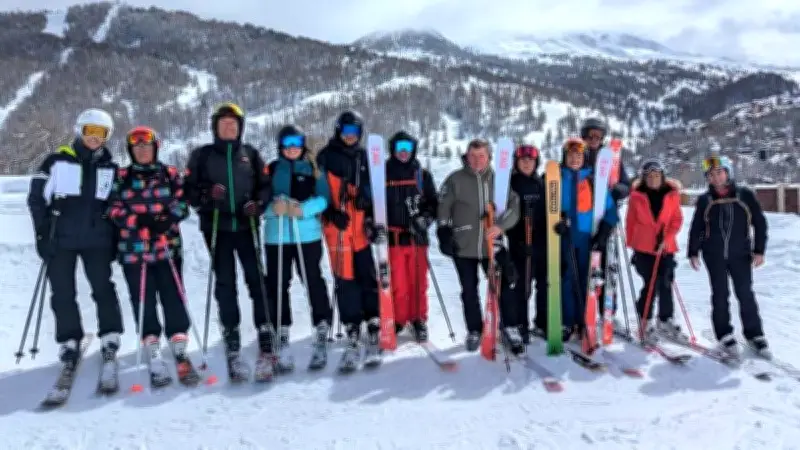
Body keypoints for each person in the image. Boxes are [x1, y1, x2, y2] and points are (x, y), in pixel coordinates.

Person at [27, 108, 124, 393]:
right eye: (89, 131)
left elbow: (115, 206)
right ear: (80, 130)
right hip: (62, 239)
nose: (94, 138)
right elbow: (36, 199)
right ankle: (69, 341)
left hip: (97, 240)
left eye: (100, 133)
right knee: (62, 291)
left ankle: (110, 336)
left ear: (107, 137)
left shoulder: (110, 168)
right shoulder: (57, 161)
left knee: (103, 287)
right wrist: (43, 235)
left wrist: (116, 237)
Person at [184, 102, 272, 381]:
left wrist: (257, 204)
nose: (229, 128)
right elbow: (189, 193)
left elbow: (265, 187)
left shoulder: (250, 154)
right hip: (217, 228)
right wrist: (208, 195)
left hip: (247, 226)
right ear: (215, 127)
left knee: (257, 279)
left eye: (233, 124)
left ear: (240, 128)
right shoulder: (202, 156)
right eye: (224, 124)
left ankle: (265, 328)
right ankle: (230, 331)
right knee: (225, 282)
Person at [107, 126, 199, 387]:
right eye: (137, 147)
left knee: (173, 294)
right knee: (143, 297)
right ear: (131, 151)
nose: (142, 150)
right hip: (135, 251)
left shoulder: (170, 174)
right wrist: (137, 220)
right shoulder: (121, 176)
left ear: (155, 148)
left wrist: (168, 218)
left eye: (146, 146)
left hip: (167, 246)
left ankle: (179, 341)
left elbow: (183, 203)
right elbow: (112, 209)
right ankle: (151, 343)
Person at [436, 138, 523, 355]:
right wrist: (444, 231)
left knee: (502, 286)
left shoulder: (499, 179)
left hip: (491, 245)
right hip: (463, 244)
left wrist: (501, 226)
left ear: (489, 157)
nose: (476, 161)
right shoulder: (455, 179)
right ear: (467, 157)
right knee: (469, 289)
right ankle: (474, 329)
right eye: (472, 156)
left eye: (481, 156)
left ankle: (509, 326)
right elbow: (443, 208)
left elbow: (514, 206)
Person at [263, 124, 333, 373]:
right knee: (278, 283)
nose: (292, 148)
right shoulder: (271, 169)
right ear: (280, 146)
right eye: (287, 143)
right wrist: (274, 208)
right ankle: (281, 329)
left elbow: (324, 199)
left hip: (307, 235)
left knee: (312, 279)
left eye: (296, 143)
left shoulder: (313, 169)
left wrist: (302, 210)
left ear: (303, 145)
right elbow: (261, 201)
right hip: (277, 236)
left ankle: (322, 323)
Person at [687, 155, 769, 358]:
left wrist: (759, 250)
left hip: (740, 254)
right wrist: (693, 251)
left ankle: (754, 334)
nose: (715, 178)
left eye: (719, 173)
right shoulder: (706, 199)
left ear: (728, 173)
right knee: (720, 294)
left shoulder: (744, 195)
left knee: (745, 294)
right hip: (713, 255)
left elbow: (759, 223)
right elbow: (697, 226)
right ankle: (724, 334)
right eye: (711, 175)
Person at [316, 110, 381, 370]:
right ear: (338, 131)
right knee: (345, 278)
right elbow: (318, 189)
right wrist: (330, 213)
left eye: (354, 133)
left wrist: (369, 206)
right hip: (338, 228)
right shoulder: (326, 156)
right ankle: (352, 323)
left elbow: (372, 187)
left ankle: (373, 319)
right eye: (346, 132)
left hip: (360, 228)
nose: (350, 137)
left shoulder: (365, 156)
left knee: (368, 274)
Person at [551, 138, 618, 343]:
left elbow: (611, 210)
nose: (574, 159)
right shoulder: (555, 178)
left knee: (586, 280)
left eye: (578, 156)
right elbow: (547, 207)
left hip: (586, 238)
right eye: (570, 155)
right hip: (563, 238)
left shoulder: (593, 180)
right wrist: (557, 221)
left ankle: (585, 321)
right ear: (565, 157)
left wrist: (603, 233)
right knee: (566, 280)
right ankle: (568, 321)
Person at [384, 131, 438, 342]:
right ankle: (398, 318)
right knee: (397, 282)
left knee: (418, 281)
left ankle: (418, 318)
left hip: (417, 238)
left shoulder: (422, 175)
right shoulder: (383, 173)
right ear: (393, 149)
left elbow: (433, 204)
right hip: (394, 238)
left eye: (407, 147)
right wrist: (372, 223)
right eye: (399, 147)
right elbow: (373, 204)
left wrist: (425, 220)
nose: (404, 152)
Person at [624, 159, 684, 342]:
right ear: (644, 178)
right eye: (649, 176)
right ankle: (645, 320)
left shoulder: (671, 194)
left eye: (656, 176)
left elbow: (677, 219)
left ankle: (665, 319)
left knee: (666, 281)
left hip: (665, 247)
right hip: (644, 248)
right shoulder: (637, 196)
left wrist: (667, 239)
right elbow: (630, 221)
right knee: (652, 282)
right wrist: (634, 243)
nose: (653, 179)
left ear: (662, 177)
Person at [507, 144, 546, 344]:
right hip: (519, 243)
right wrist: (517, 240)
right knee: (521, 286)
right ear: (516, 162)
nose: (527, 163)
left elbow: (550, 212)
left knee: (543, 284)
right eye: (523, 160)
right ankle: (520, 323)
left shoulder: (542, 184)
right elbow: (505, 215)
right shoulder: (511, 184)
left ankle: (541, 322)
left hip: (540, 243)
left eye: (530, 160)